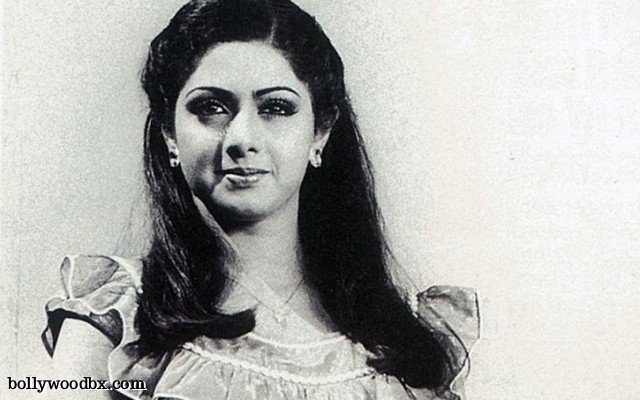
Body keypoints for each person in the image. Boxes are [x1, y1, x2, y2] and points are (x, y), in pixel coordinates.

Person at [42, 0, 479, 399]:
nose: (242, 138)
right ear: (170, 135)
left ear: (320, 132)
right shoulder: (116, 318)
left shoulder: (409, 341)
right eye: (211, 107)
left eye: (276, 108)